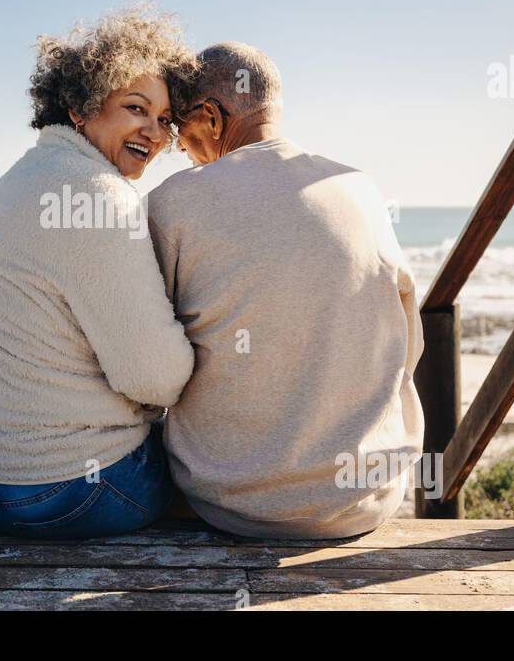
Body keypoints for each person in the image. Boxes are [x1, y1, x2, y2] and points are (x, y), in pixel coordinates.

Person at [0, 6, 197, 539]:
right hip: (65, 492)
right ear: (79, 105)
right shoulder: (100, 196)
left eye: (165, 120)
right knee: (217, 476)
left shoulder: (19, 177)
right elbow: (157, 378)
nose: (154, 131)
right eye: (135, 107)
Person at [146, 41, 425, 539]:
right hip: (368, 502)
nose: (180, 150)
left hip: (229, 504)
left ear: (210, 117)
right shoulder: (359, 186)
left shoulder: (175, 202)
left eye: (177, 130)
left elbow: (146, 359)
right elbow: (410, 345)